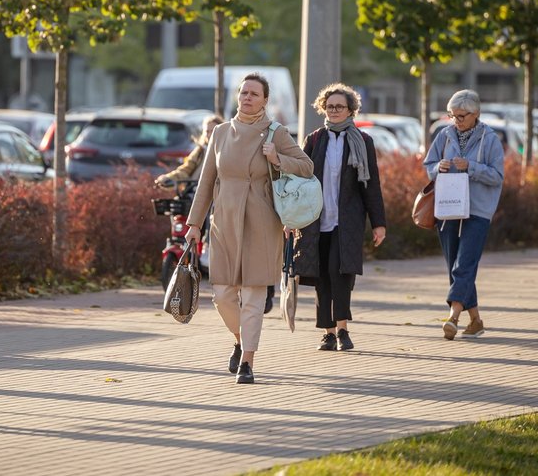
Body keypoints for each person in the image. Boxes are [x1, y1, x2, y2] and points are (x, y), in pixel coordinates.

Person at [183, 72, 313, 384]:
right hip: (225, 220)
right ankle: (240, 341)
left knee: (254, 295)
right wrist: (194, 224)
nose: (247, 98)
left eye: (254, 94)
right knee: (223, 295)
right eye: (243, 93)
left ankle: (248, 362)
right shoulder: (222, 133)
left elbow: (307, 167)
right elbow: (206, 183)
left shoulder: (276, 132)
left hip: (262, 220)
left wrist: (278, 158)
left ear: (265, 100)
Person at [298, 83, 387, 352]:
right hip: (316, 221)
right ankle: (327, 332)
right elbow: (301, 179)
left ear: (351, 110)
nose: (334, 111)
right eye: (330, 106)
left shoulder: (363, 142)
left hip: (347, 220)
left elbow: (371, 185)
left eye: (340, 107)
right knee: (321, 275)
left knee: (342, 273)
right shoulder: (314, 140)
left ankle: (343, 329)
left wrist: (379, 223)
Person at [422, 90, 505, 340]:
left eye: (461, 116)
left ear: (476, 114)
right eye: (452, 116)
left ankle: (453, 317)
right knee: (454, 267)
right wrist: (439, 167)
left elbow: (497, 176)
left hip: (478, 210)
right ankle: (476, 321)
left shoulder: (490, 139)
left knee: (465, 264)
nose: (456, 121)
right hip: (448, 208)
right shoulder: (444, 135)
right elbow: (428, 166)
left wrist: (472, 168)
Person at [155, 113, 224, 188]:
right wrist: (168, 178)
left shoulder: (226, 152)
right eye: (207, 131)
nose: (210, 135)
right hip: (193, 193)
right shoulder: (200, 151)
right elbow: (186, 170)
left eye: (213, 131)